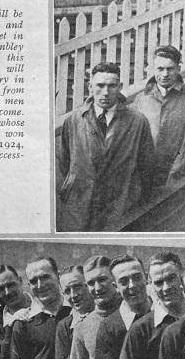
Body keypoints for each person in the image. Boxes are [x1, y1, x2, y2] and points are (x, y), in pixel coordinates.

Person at [56, 61, 156, 232]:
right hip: (80, 206)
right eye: (100, 85)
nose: (105, 92)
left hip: (119, 206)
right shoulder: (74, 120)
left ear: (120, 86)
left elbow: (146, 165)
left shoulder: (138, 121)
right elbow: (65, 162)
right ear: (90, 86)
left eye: (112, 86)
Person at [131, 45, 185, 188]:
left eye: (170, 69)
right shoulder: (141, 100)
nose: (165, 74)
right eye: (160, 69)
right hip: (146, 178)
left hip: (180, 178)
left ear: (178, 69)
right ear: (153, 69)